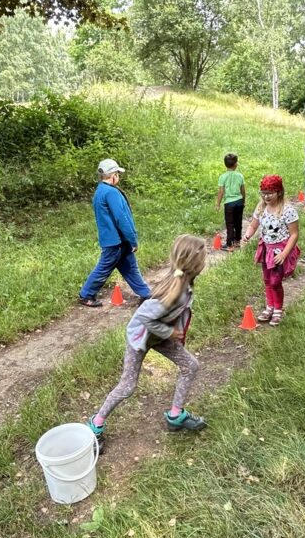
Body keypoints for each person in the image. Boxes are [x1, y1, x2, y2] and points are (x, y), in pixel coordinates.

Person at [87, 235, 209, 449]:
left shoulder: (184, 282)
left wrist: (174, 333)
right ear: (194, 263)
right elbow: (144, 317)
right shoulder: (175, 292)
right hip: (140, 338)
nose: (205, 261)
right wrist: (169, 332)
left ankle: (175, 415)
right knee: (127, 386)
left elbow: (177, 314)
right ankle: (95, 424)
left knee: (190, 366)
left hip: (160, 336)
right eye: (204, 258)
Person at [79, 159, 151, 307]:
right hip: (116, 241)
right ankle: (86, 295)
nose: (118, 176)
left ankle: (146, 294)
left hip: (115, 240)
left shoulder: (100, 191)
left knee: (130, 267)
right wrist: (133, 239)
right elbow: (121, 218)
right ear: (113, 175)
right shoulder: (111, 193)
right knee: (104, 268)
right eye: (118, 173)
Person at [241, 175, 300, 327]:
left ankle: (278, 310)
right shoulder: (261, 208)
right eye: (263, 193)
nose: (266, 196)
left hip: (280, 250)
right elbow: (253, 225)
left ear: (279, 192)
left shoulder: (287, 210)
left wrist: (284, 254)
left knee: (275, 281)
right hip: (266, 249)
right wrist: (247, 235)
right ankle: (269, 307)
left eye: (270, 193)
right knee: (267, 280)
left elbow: (294, 234)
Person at [215, 153, 246, 250]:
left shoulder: (222, 177)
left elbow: (221, 192)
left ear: (225, 164)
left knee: (230, 223)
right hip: (239, 202)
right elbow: (243, 190)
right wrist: (243, 201)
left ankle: (229, 244)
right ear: (236, 164)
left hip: (229, 204)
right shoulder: (240, 176)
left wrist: (218, 204)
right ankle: (237, 241)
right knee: (238, 222)